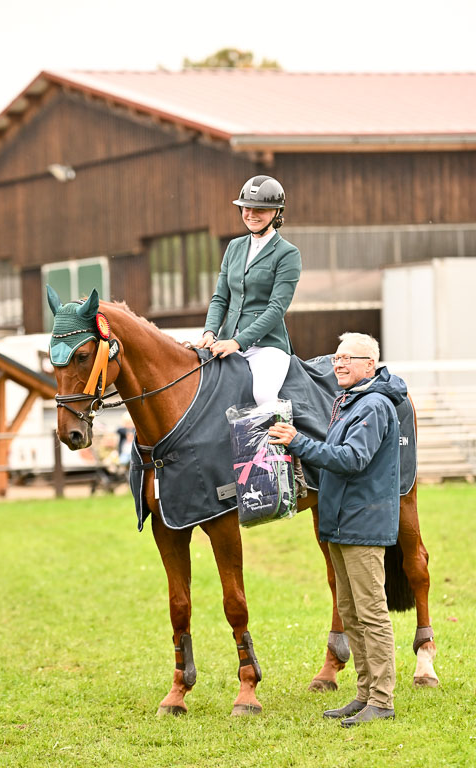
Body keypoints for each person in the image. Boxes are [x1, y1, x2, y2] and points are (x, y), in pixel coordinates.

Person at [269, 332, 406, 727]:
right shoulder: (349, 401)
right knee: (350, 611)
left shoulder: (374, 404)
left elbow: (351, 459)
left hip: (362, 523)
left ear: (371, 364)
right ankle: (364, 694)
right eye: (337, 358)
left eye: (349, 358)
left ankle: (382, 699)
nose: (339, 364)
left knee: (371, 613)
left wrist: (298, 442)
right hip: (341, 524)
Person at [195, 175, 302, 407]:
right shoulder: (234, 247)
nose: (251, 214)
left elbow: (276, 309)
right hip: (224, 341)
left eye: (260, 209)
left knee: (263, 396)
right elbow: (220, 298)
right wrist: (209, 332)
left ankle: (276, 443)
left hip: (267, 346)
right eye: (247, 208)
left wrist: (238, 342)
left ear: (276, 213)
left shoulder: (287, 253)